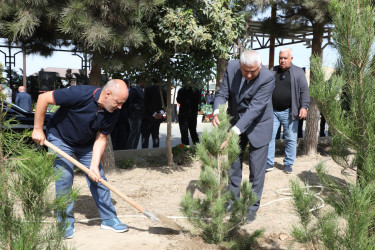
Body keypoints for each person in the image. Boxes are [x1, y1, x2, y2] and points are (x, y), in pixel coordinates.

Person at [31, 79, 129, 239]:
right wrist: (37, 129)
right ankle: (64, 223)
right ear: (108, 94)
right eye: (118, 102)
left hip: (86, 143)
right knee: (64, 178)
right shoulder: (79, 94)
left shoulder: (114, 112)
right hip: (60, 139)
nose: (120, 107)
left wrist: (94, 166)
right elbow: (44, 98)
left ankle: (109, 219)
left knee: (98, 178)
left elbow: (102, 138)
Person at [212, 50, 275, 223]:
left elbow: (255, 108)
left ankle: (252, 207)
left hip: (259, 125)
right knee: (233, 166)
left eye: (252, 71)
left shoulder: (268, 78)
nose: (248, 75)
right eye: (245, 70)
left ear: (259, 67)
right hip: (236, 122)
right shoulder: (232, 68)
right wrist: (216, 111)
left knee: (256, 170)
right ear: (239, 65)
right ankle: (233, 200)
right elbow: (222, 93)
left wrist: (233, 132)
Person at [266, 47, 310, 174]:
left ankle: (288, 164)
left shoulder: (298, 72)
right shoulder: (273, 71)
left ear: (291, 59)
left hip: (290, 111)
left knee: (291, 138)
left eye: (285, 58)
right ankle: (269, 162)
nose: (282, 60)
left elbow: (304, 91)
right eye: (280, 58)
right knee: (269, 137)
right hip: (272, 111)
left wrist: (304, 106)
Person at [141, 78, 166, 148]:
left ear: (152, 81)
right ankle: (156, 152)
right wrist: (161, 112)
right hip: (157, 117)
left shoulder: (148, 89)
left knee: (145, 138)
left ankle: (144, 153)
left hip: (148, 117)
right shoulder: (163, 90)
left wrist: (154, 113)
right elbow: (165, 104)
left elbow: (146, 103)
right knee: (155, 137)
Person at [111, 79, 130, 150]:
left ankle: (115, 148)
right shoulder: (126, 93)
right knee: (122, 135)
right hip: (122, 117)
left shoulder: (114, 92)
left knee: (114, 135)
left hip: (115, 116)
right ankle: (121, 149)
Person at [126, 79, 145, 149]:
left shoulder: (140, 90)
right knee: (134, 133)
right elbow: (130, 102)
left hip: (139, 115)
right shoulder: (134, 90)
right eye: (143, 81)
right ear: (139, 82)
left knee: (137, 133)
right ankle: (129, 150)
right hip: (134, 115)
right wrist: (133, 113)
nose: (144, 83)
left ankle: (134, 149)